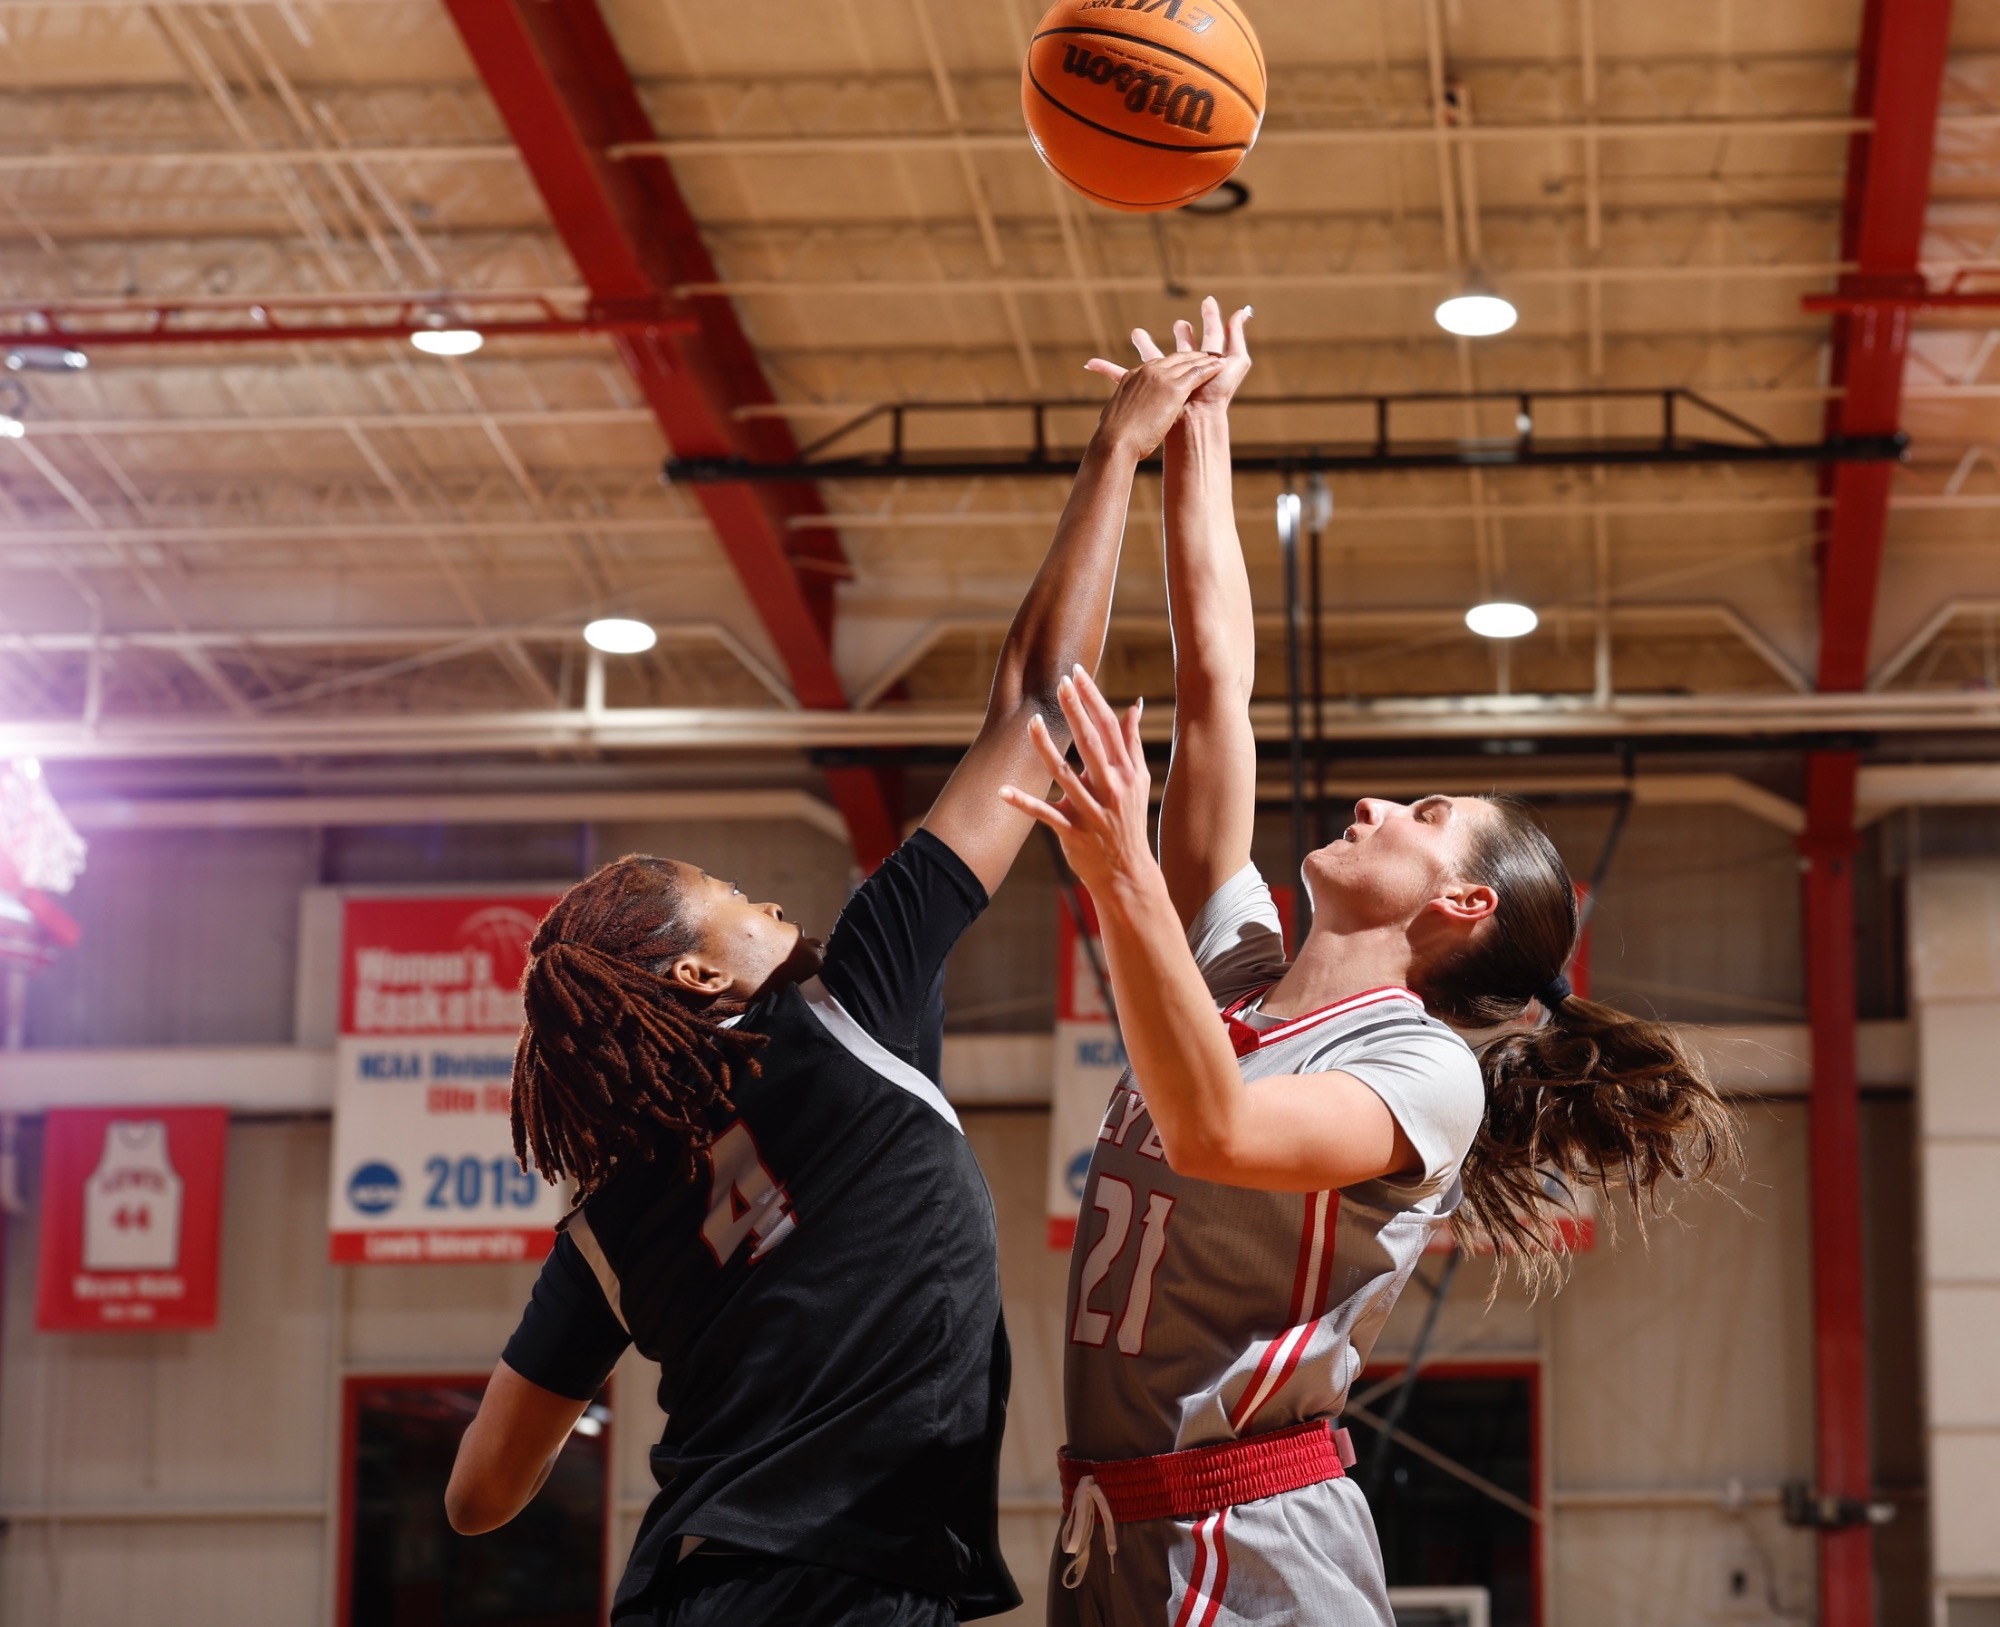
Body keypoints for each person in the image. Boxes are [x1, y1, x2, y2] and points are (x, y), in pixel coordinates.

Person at [442, 342, 1229, 1626]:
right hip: (848, 1589)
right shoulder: (840, 1010)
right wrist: (1114, 452)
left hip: (688, 1589)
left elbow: (479, 1492)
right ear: (701, 976)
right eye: (737, 903)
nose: (772, 908)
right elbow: (1036, 700)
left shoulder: (613, 1215)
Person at [1000, 299, 1740, 1626]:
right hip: (1110, 1529)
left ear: (1461, 899)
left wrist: (1124, 878)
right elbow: (1218, 683)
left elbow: (1215, 1123)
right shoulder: (1234, 969)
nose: (1373, 805)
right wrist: (1204, 432)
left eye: (1425, 813)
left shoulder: (1422, 1068)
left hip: (1253, 1540)